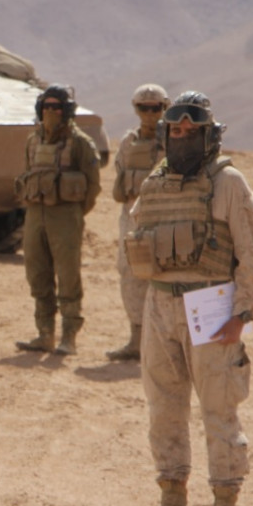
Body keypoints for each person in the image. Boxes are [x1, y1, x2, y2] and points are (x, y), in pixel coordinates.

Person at [121, 91, 253, 506]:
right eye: (175, 130)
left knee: (219, 411)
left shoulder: (228, 184)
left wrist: (242, 313)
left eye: (191, 130)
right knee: (163, 409)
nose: (182, 136)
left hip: (212, 306)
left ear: (208, 135)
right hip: (161, 305)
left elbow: (252, 254)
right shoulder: (155, 181)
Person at [14, 84, 101, 355]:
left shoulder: (81, 143)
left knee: (67, 276)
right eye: (47, 107)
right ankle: (44, 333)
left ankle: (69, 336)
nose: (51, 112)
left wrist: (74, 214)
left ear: (67, 111)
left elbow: (92, 186)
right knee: (37, 273)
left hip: (65, 216)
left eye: (57, 107)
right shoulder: (32, 141)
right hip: (35, 215)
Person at [106, 83, 170, 362]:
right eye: (143, 108)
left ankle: (163, 341)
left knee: (163, 276)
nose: (149, 114)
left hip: (162, 219)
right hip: (131, 218)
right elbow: (120, 175)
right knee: (130, 274)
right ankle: (137, 337)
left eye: (155, 108)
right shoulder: (128, 141)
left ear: (164, 108)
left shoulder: (174, 142)